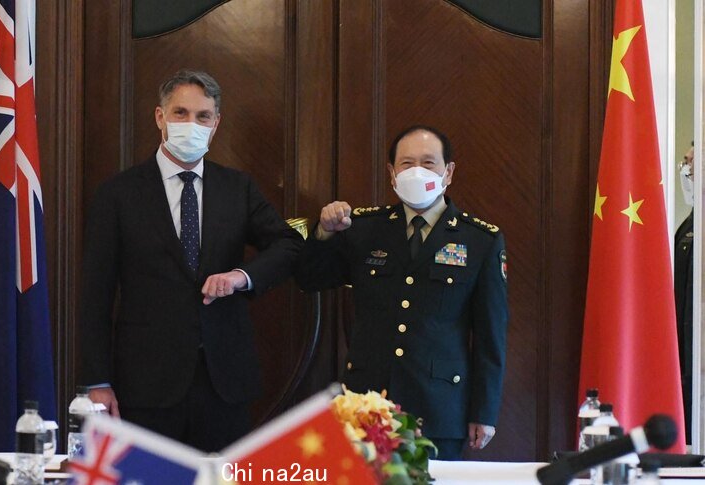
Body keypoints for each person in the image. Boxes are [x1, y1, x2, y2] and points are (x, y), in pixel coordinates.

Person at [79, 69, 303, 452]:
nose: (191, 124)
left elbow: (288, 245)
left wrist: (240, 276)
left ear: (215, 124)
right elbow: (94, 295)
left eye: (202, 116)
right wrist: (96, 382)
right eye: (180, 113)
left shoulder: (238, 188)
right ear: (159, 118)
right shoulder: (118, 194)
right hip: (145, 385)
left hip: (224, 382)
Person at [295, 125, 508, 460]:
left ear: (448, 172)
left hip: (439, 409)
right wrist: (323, 232)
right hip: (366, 405)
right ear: (392, 174)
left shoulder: (480, 240)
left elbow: (489, 334)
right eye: (407, 164)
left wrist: (484, 411)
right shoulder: (363, 228)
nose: (418, 171)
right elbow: (310, 278)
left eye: (429, 162)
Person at [675, 142, 694, 446]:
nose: (686, 170)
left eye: (692, 164)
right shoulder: (688, 226)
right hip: (686, 361)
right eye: (685, 163)